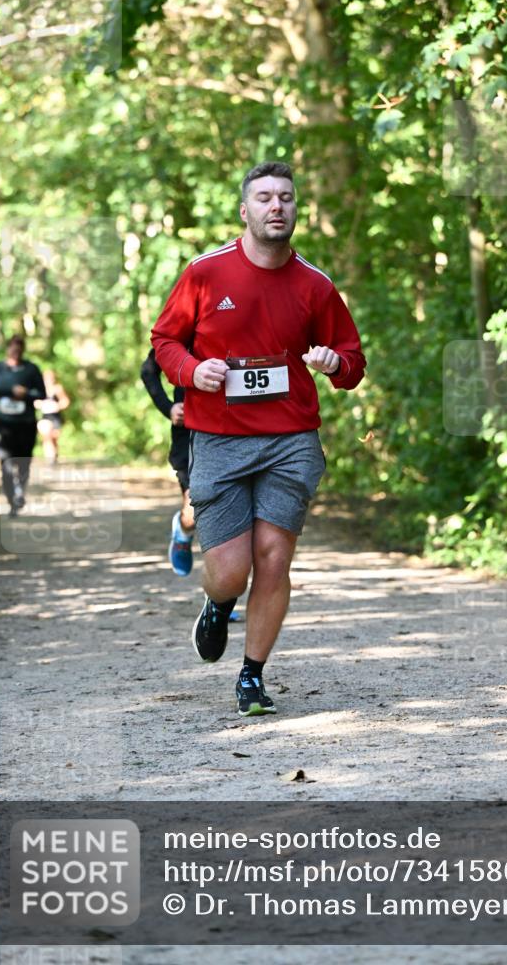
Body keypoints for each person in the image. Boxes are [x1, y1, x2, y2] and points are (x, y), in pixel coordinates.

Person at [151, 160, 365, 716]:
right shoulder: (205, 273)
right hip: (218, 437)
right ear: (245, 211)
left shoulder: (316, 285)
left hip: (291, 437)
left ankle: (251, 676)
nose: (277, 207)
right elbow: (165, 341)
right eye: (265, 198)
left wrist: (332, 361)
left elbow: (353, 364)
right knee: (231, 569)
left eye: (287, 198)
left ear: (296, 209)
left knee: (273, 559)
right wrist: (192, 372)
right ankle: (217, 606)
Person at [140, 347, 195, 576]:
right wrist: (168, 407)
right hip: (189, 433)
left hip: (235, 432)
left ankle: (219, 600)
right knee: (195, 511)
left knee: (227, 521)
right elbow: (148, 371)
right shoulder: (184, 327)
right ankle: (183, 532)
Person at [0, 335, 46, 516]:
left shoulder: (31, 370)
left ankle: (20, 492)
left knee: (23, 462)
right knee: (5, 463)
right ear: (8, 348)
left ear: (23, 350)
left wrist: (27, 393)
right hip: (2, 425)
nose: (16, 352)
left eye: (19, 349)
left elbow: (42, 394)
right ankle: (11, 500)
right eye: (13, 348)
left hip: (25, 424)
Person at [35, 369, 70, 465]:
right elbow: (34, 401)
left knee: (54, 438)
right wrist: (39, 404)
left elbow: (65, 401)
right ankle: (49, 458)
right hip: (45, 417)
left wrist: (57, 406)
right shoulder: (39, 389)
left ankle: (54, 456)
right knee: (47, 436)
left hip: (56, 416)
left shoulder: (58, 389)